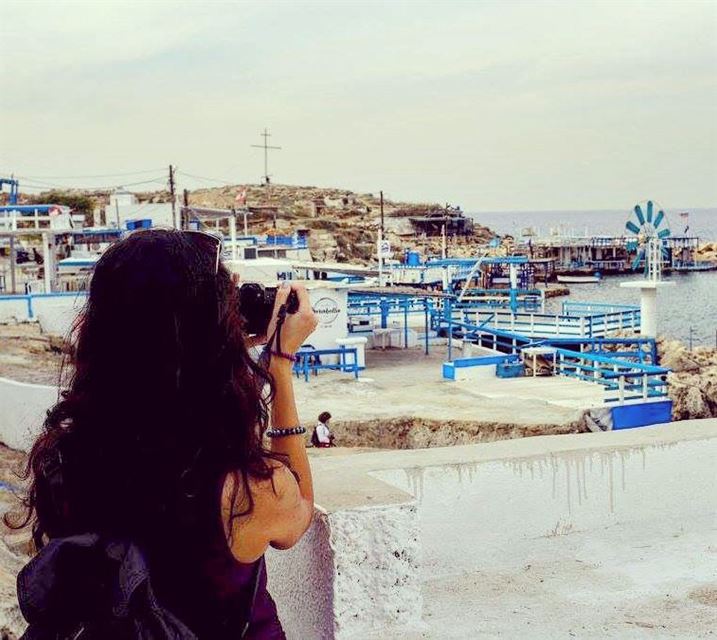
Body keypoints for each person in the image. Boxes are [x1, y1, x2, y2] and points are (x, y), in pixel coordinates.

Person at [6, 229, 318, 639]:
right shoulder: (247, 490)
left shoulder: (68, 455)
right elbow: (299, 513)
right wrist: (279, 362)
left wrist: (207, 347)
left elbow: (158, 398)